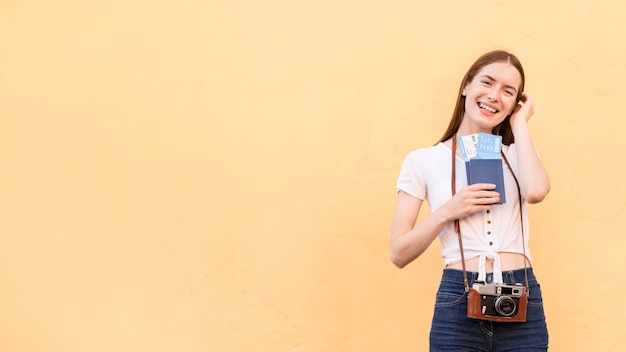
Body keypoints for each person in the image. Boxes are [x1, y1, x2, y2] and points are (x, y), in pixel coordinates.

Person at [389, 50, 550, 351]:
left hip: (521, 295)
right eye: (487, 82)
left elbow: (536, 192)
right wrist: (447, 211)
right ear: (466, 85)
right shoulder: (423, 161)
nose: (493, 96)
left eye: (508, 92)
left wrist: (520, 125)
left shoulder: (519, 155)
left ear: (516, 103)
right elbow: (398, 253)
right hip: (458, 299)